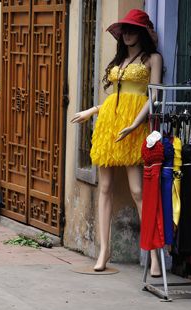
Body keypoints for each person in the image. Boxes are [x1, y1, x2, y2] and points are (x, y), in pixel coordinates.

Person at [71, 9, 163, 275]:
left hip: (134, 126)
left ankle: (154, 256)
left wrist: (136, 123)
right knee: (105, 187)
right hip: (109, 124)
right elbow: (115, 98)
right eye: (124, 30)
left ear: (144, 33)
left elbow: (154, 96)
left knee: (138, 191)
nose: (127, 34)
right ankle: (104, 250)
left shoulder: (152, 59)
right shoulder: (120, 60)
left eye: (133, 30)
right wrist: (92, 110)